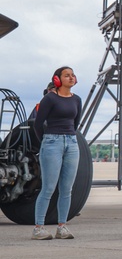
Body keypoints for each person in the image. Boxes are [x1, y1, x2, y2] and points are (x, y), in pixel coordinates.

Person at [31, 67, 83, 240]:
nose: (71, 77)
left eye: (72, 75)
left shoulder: (77, 100)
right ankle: (38, 228)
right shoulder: (50, 98)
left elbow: (76, 124)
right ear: (57, 79)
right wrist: (46, 142)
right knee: (48, 188)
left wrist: (68, 138)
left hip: (72, 142)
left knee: (66, 189)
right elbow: (38, 124)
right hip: (52, 141)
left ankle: (62, 227)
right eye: (66, 75)